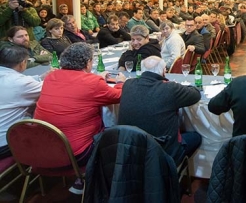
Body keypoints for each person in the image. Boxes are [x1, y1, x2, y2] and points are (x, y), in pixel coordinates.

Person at [34, 43, 125, 193]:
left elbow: (74, 86)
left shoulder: (51, 77)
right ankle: (99, 181)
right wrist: (121, 82)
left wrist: (95, 79)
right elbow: (118, 96)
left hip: (40, 149)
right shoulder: (93, 83)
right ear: (88, 63)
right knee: (117, 133)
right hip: (75, 155)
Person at [118, 56, 201, 164]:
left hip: (131, 153)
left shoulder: (128, 85)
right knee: (196, 137)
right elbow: (196, 94)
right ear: (163, 71)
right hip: (162, 154)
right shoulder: (170, 88)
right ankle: (174, 172)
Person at [0, 46, 44, 160]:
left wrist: (39, 78)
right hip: (6, 143)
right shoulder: (20, 83)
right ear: (23, 63)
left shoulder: (13, 78)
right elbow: (49, 90)